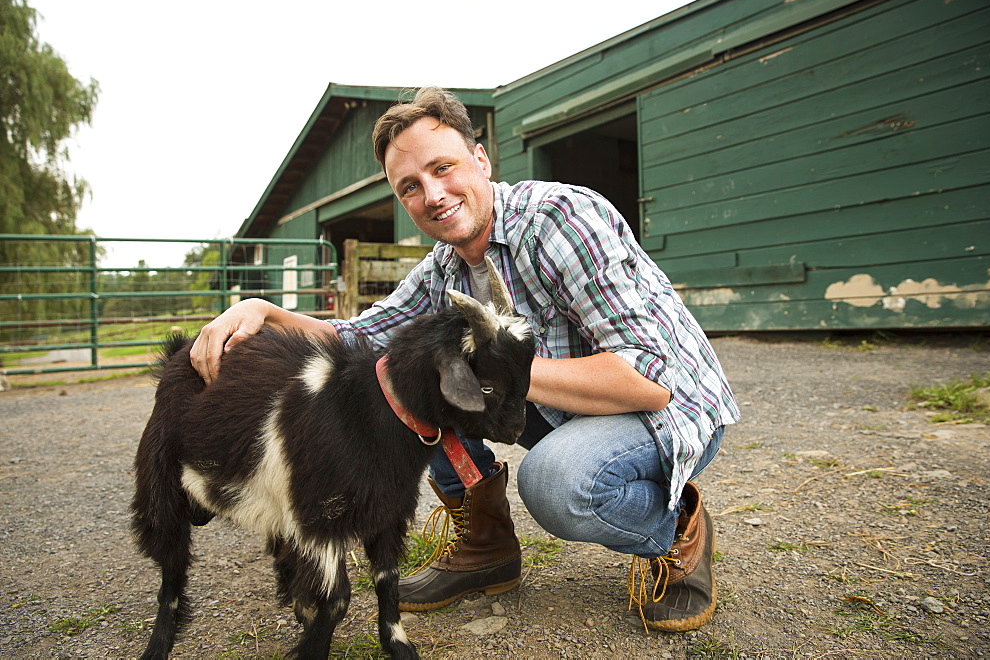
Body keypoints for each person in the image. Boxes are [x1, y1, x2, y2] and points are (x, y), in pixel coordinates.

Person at [190, 86, 740, 632]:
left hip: (664, 412)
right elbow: (360, 337)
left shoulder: (561, 221)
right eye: (410, 186)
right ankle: (486, 545)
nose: (432, 193)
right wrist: (265, 312)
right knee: (395, 382)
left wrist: (493, 372)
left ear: (480, 158)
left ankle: (675, 529)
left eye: (443, 167)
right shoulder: (443, 269)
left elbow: (649, 379)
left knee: (556, 483)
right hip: (569, 406)